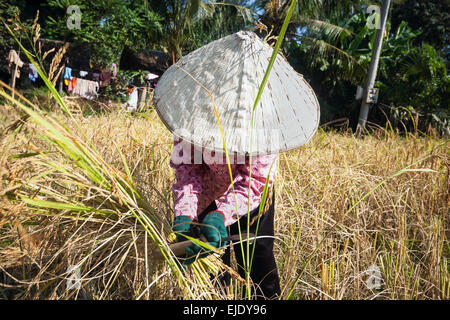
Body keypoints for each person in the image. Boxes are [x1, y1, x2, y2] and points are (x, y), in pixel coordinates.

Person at [170, 137, 280, 299]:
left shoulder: (262, 121)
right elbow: (188, 170)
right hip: (205, 192)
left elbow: (254, 180)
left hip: (251, 195)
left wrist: (221, 216)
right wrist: (185, 215)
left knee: (258, 266)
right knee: (211, 267)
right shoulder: (190, 117)